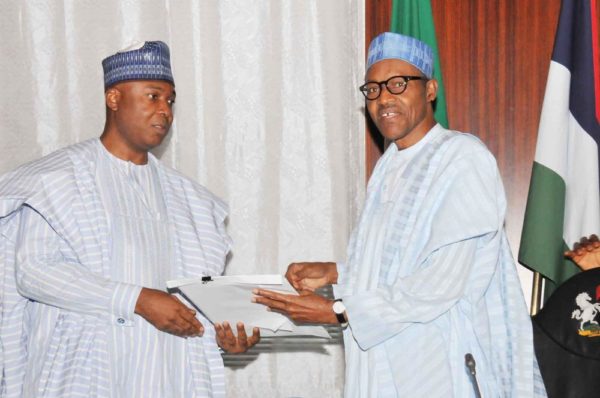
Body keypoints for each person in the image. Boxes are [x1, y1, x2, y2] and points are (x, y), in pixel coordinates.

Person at [254, 32, 546, 397]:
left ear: (430, 90)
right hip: (380, 364)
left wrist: (339, 311)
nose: (383, 99)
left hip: (437, 367)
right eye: (373, 89)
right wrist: (336, 272)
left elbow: (442, 281)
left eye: (397, 84)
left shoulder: (462, 157)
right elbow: (401, 262)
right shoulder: (389, 165)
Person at [0, 41, 258, 397]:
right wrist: (136, 299)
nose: (165, 110)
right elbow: (35, 273)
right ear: (114, 98)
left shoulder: (192, 200)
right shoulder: (55, 181)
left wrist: (221, 335)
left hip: (168, 374)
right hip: (82, 372)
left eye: (170, 100)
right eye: (152, 96)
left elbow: (198, 298)